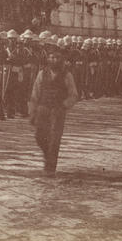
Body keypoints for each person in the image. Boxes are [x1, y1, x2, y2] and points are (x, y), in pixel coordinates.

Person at [28, 41, 79, 177]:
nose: (54, 60)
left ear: (61, 59)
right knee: (39, 137)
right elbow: (35, 93)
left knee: (55, 139)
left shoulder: (67, 75)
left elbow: (73, 95)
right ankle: (47, 155)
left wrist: (64, 105)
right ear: (48, 58)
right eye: (51, 57)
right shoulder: (41, 74)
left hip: (58, 111)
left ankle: (50, 167)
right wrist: (32, 112)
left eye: (56, 57)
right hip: (42, 109)